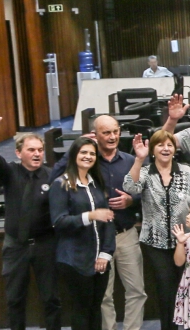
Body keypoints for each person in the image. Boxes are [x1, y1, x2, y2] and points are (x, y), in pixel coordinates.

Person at [50, 115, 145, 330]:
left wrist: (131, 200)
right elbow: (54, 181)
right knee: (102, 297)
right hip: (94, 241)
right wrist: (75, 150)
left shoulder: (130, 161)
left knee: (136, 291)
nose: (112, 137)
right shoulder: (88, 166)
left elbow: (145, 194)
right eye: (106, 133)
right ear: (96, 135)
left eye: (115, 131)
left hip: (124, 234)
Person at [0, 112, 60, 330]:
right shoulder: (10, 173)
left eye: (40, 150)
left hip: (45, 244)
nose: (37, 154)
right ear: (18, 152)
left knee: (51, 299)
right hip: (16, 246)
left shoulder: (51, 176)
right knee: (14, 300)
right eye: (31, 150)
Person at [123, 130, 190, 330]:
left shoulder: (187, 172)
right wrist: (139, 159)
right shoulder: (145, 172)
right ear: (152, 149)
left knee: (189, 289)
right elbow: (130, 187)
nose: (166, 148)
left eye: (169, 145)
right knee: (166, 290)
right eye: (160, 145)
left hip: (186, 241)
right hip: (155, 243)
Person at [49, 137, 116, 330]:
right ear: (74, 155)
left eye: (92, 153)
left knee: (96, 309)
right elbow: (59, 222)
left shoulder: (96, 183)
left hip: (100, 259)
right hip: (74, 259)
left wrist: (105, 253)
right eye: (83, 152)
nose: (88, 156)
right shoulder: (61, 185)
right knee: (81, 310)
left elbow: (109, 220)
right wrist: (90, 216)